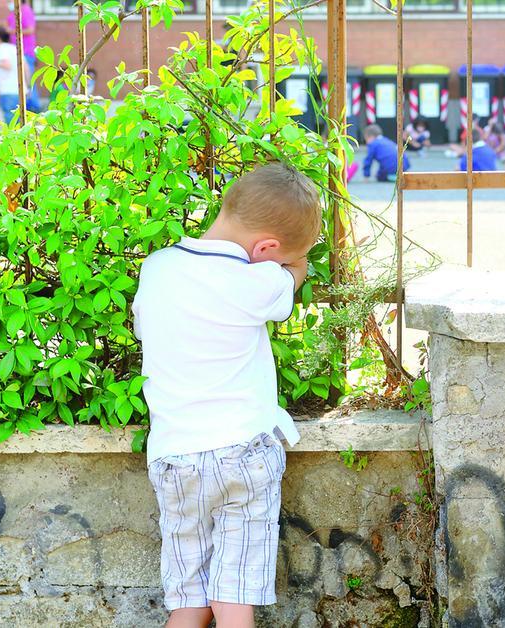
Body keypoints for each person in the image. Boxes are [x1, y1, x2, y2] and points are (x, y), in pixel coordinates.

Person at [132, 163, 321, 628]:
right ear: (267, 249)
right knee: (233, 599)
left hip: (174, 459)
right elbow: (290, 280)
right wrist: (295, 265)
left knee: (189, 602)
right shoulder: (258, 281)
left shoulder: (157, 268)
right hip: (243, 455)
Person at [0, 0, 40, 113]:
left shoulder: (25, 10)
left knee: (28, 82)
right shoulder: (13, 13)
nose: (8, 2)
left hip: (26, 51)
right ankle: (26, 109)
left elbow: (30, 29)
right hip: (17, 51)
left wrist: (11, 31)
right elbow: (4, 24)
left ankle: (34, 109)